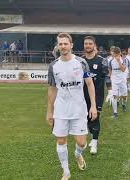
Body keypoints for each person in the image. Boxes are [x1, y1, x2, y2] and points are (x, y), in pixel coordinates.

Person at [46, 33, 97, 180]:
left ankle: (78, 154)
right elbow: (52, 89)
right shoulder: (53, 66)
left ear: (71, 45)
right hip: (61, 109)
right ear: (58, 46)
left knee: (81, 142)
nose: (63, 46)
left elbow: (89, 84)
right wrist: (49, 111)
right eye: (60, 44)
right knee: (61, 140)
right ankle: (66, 171)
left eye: (65, 43)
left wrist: (93, 106)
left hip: (79, 109)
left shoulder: (81, 63)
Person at [82, 36, 109, 154]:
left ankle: (94, 142)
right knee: (86, 119)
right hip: (82, 96)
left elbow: (107, 76)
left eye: (90, 43)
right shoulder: (80, 61)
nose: (88, 45)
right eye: (86, 43)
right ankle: (92, 135)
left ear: (94, 45)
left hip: (97, 95)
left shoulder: (102, 60)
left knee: (95, 117)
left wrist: (111, 91)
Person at [109, 47, 128, 118]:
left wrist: (119, 61)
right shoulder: (111, 61)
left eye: (116, 53)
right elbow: (110, 69)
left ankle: (123, 103)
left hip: (122, 79)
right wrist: (110, 76)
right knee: (114, 96)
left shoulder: (123, 60)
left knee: (124, 96)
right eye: (114, 53)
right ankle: (115, 113)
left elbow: (123, 69)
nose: (114, 54)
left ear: (119, 53)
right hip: (114, 79)